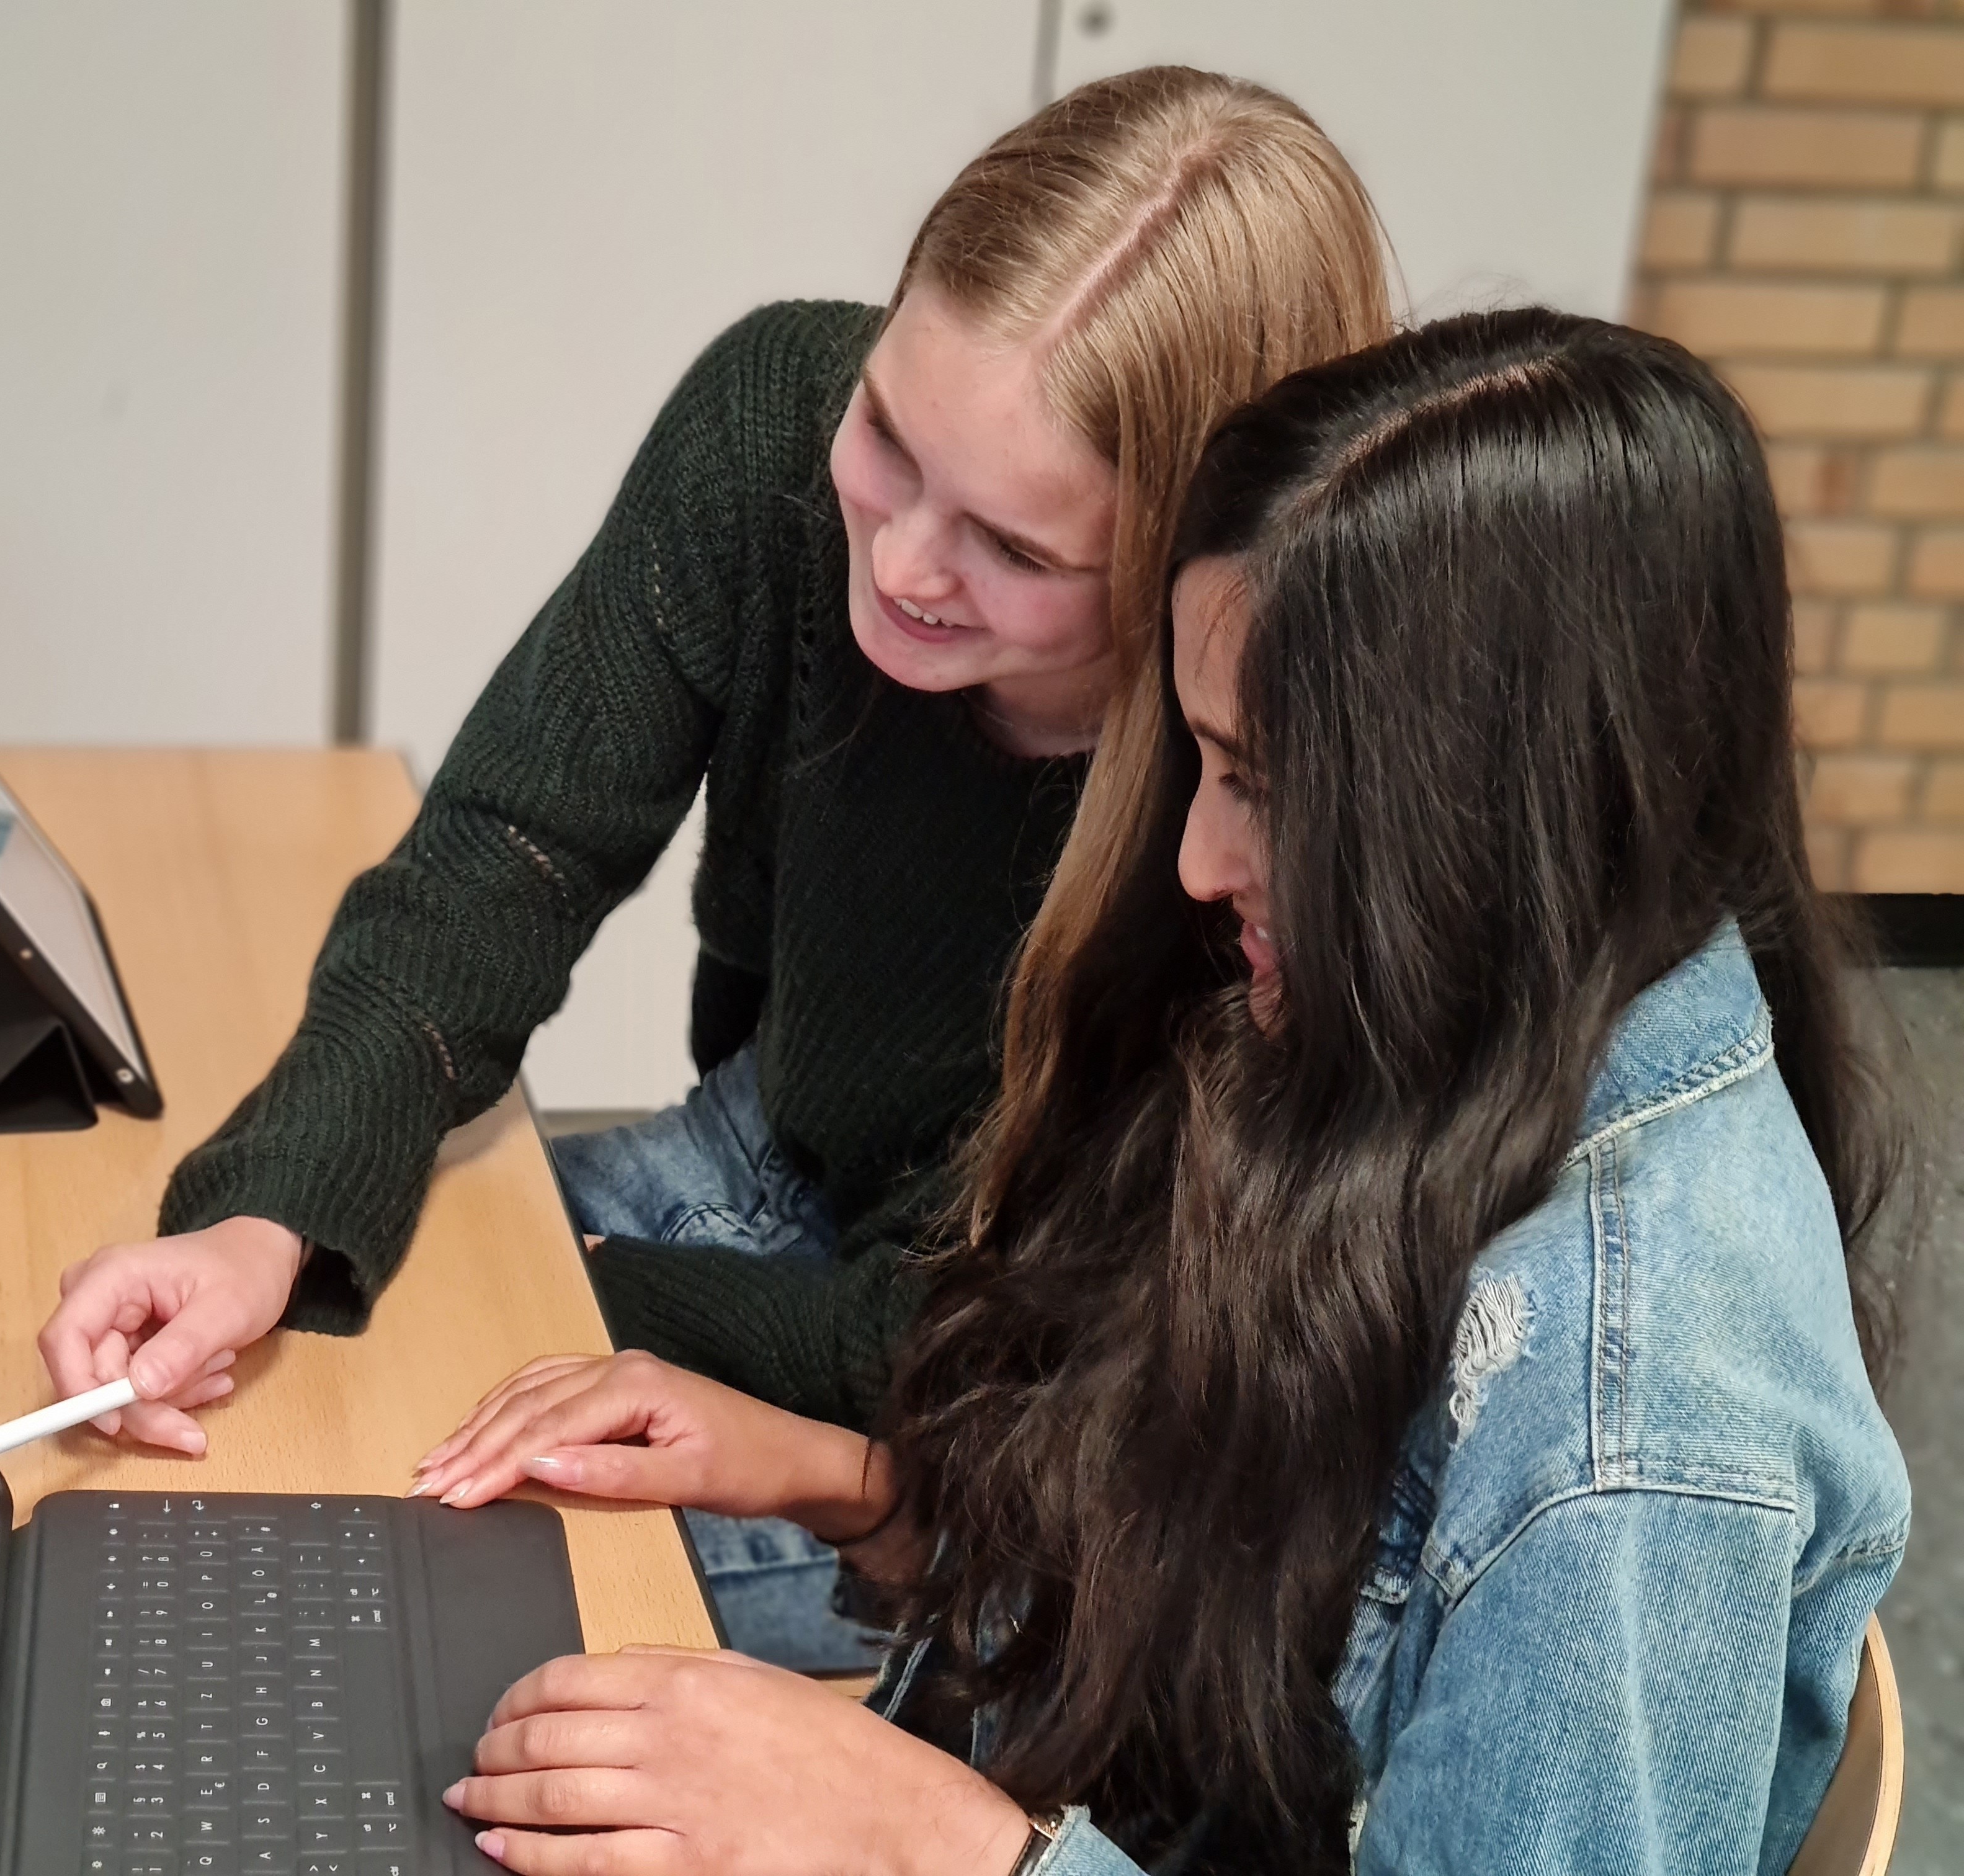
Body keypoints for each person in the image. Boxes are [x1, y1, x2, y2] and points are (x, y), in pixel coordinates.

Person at [406, 310, 1913, 1875]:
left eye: (1260, 785)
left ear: (1496, 813)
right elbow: (1223, 1652)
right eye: (1202, 763)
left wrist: (945, 1847)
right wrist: (851, 1489)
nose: (1197, 862)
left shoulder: (1633, 1430)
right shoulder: (1444, 1037)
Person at [34, 68, 1393, 1668]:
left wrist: (563, 1293)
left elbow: (1034, 1375)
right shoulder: (770, 423)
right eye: (887, 434)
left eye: (1016, 550)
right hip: (779, 1155)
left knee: (359, 1597)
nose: (897, 563)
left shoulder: (1270, 795)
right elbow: (507, 856)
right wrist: (265, 1217)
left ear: (1190, 563)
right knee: (229, 1421)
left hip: (1004, 1419)